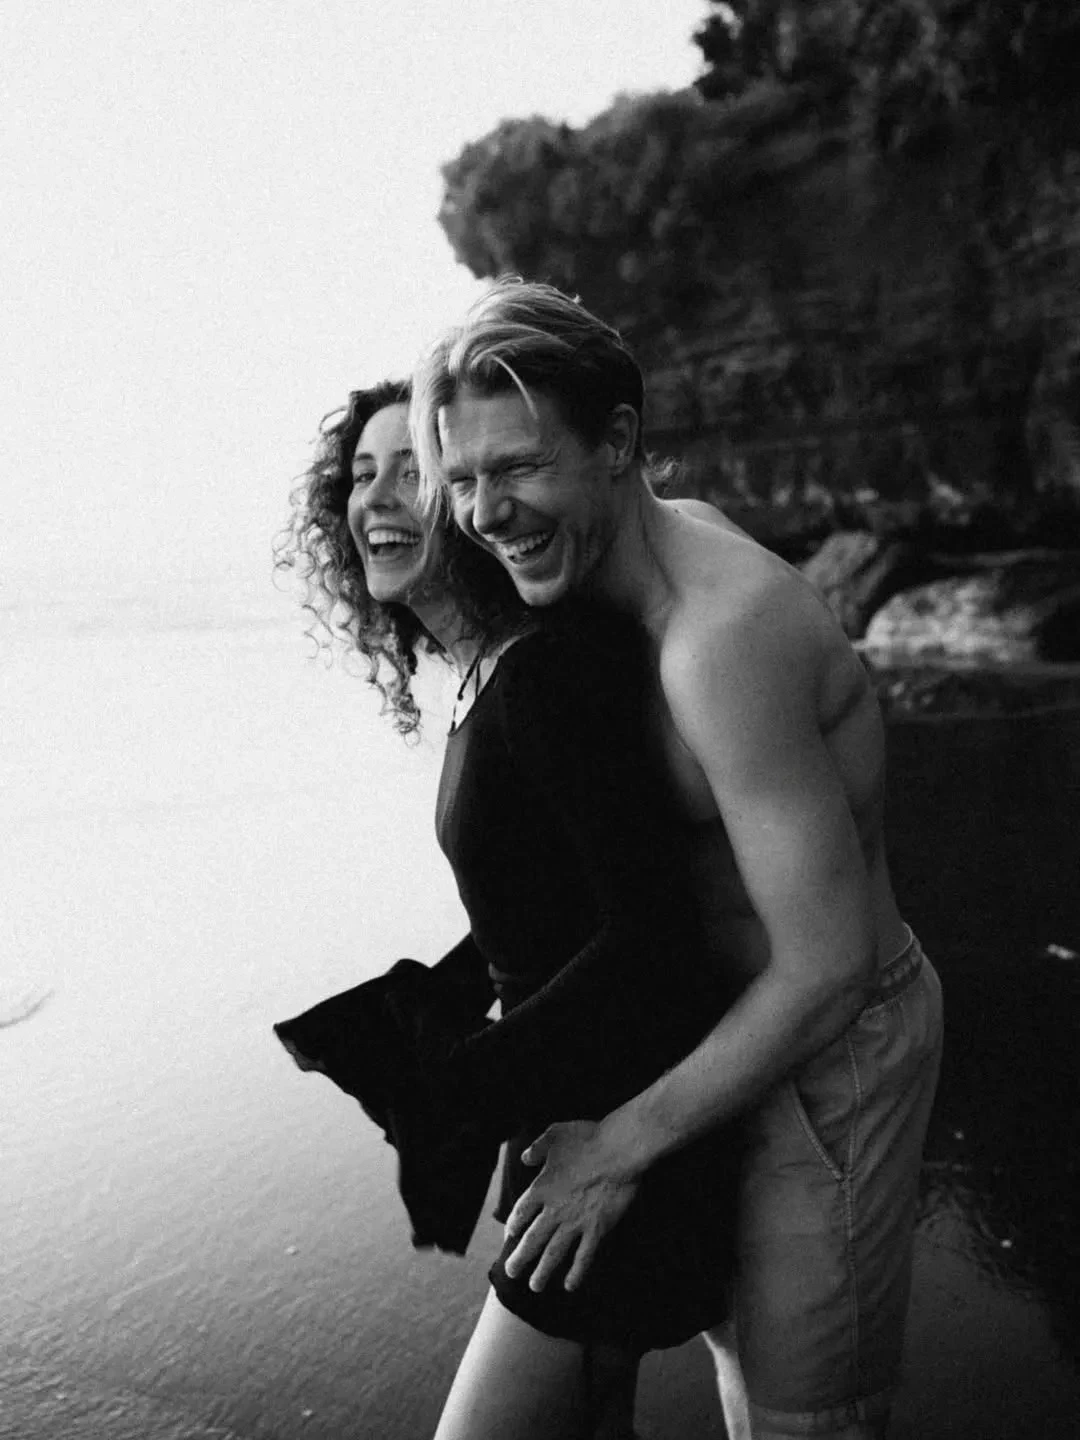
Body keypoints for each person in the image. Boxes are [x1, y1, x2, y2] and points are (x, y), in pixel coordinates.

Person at [411, 277, 946, 1440]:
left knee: (802, 1419)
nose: (488, 513)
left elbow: (830, 965)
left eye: (521, 467)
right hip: (707, 1035)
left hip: (824, 1055)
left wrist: (618, 1147)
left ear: (617, 443)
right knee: (726, 1368)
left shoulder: (721, 639)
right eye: (461, 479)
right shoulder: (617, 575)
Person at [273, 380, 745, 1438]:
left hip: (615, 1137)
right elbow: (552, 893)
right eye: (361, 475)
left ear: (470, 507)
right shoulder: (490, 671)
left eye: (412, 473)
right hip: (571, 1117)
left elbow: (654, 933)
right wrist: (438, 998)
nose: (376, 498)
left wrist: (456, 1088)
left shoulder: (545, 674)